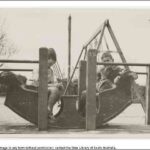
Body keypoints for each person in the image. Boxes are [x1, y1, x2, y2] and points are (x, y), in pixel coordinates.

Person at [29, 48, 64, 121]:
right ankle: (48, 110)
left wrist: (57, 84)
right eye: (50, 64)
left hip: (47, 88)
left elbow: (51, 82)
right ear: (46, 59)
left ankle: (49, 109)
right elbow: (35, 82)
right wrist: (53, 86)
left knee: (59, 89)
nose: (50, 66)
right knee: (55, 90)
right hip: (38, 88)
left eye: (52, 65)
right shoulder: (38, 69)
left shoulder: (50, 71)